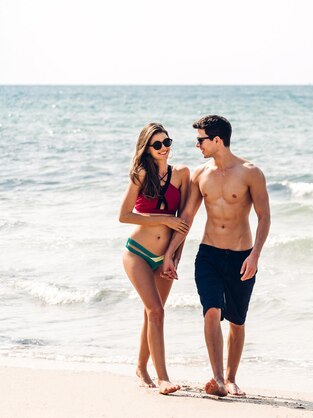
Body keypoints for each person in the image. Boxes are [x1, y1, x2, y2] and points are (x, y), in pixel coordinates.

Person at [162, 115, 270, 397]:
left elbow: (264, 216)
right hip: (208, 254)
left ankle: (232, 378)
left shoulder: (250, 172)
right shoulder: (200, 175)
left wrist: (255, 255)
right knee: (211, 310)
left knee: (236, 320)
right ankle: (218, 378)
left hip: (241, 256)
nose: (197, 146)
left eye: (201, 140)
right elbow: (186, 217)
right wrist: (170, 255)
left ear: (217, 140)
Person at [119, 122, 190, 394]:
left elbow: (183, 222)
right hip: (136, 253)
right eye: (158, 144)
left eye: (167, 142)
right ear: (147, 148)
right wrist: (163, 219)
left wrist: (174, 257)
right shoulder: (140, 174)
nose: (164, 148)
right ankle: (163, 378)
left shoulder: (182, 174)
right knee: (156, 311)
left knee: (153, 314)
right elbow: (124, 215)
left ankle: (141, 367)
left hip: (165, 258)